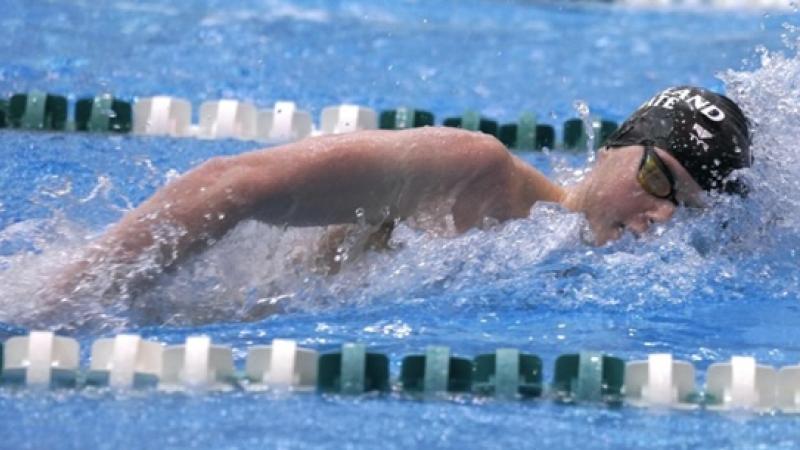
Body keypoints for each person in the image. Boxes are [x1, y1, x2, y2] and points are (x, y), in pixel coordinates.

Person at [51, 85, 751, 300]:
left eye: (685, 206)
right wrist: (73, 296)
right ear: (610, 148)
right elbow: (230, 183)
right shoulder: (472, 172)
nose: (659, 216)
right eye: (657, 178)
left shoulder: (581, 281)